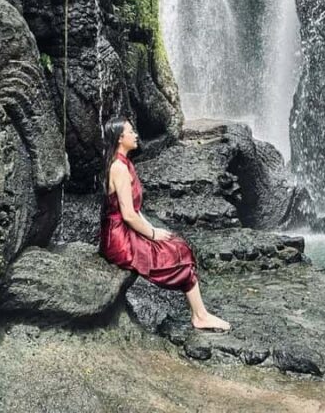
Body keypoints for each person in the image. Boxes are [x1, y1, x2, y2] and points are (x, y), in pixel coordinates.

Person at [98, 115, 231, 331]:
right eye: (131, 132)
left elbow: (135, 210)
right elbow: (128, 215)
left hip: (124, 230)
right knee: (176, 251)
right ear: (120, 138)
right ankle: (200, 316)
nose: (136, 135)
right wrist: (152, 234)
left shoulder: (125, 163)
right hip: (119, 238)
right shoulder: (119, 168)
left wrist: (153, 229)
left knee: (178, 245)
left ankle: (200, 314)